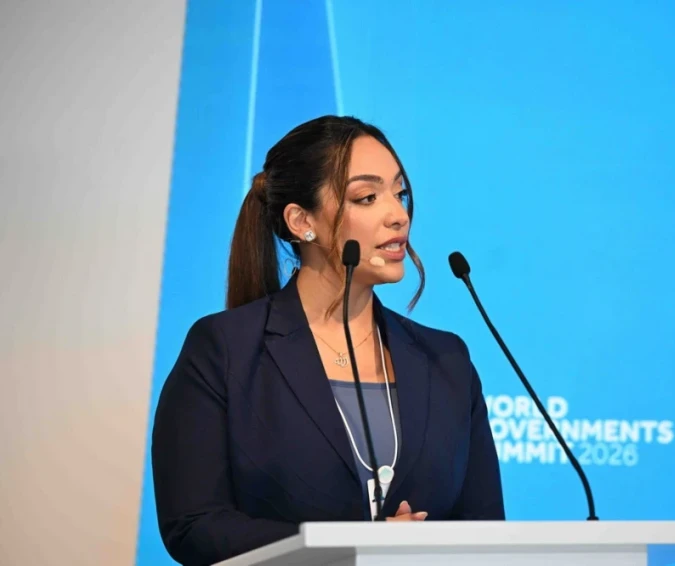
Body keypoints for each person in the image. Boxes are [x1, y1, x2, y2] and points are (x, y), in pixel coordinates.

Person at [150, 115, 505, 566]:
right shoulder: (224, 349)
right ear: (302, 221)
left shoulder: (446, 359)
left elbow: (483, 530)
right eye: (367, 197)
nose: (398, 215)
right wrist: (352, 548)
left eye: (399, 193)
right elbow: (194, 525)